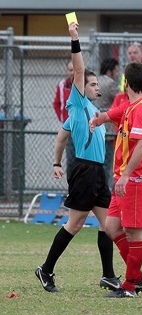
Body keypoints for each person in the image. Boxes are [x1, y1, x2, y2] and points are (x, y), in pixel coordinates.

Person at [35, 21, 120, 293]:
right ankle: (45, 270)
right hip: (84, 171)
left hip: (96, 172)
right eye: (91, 84)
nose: (95, 87)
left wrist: (57, 162)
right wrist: (75, 38)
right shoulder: (78, 100)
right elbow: (80, 69)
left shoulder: (92, 111)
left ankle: (108, 275)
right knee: (75, 224)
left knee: (108, 225)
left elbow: (61, 136)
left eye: (96, 84)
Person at [89, 62, 142, 298]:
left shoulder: (141, 108)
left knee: (133, 232)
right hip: (126, 179)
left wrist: (126, 175)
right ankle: (137, 276)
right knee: (111, 226)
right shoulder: (132, 105)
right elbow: (118, 113)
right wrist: (101, 118)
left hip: (137, 179)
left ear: (126, 82)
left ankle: (130, 286)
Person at [96, 57, 120, 189]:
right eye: (116, 71)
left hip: (93, 128)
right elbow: (122, 98)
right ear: (110, 71)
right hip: (107, 129)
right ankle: (103, 189)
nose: (117, 74)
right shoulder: (110, 83)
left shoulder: (94, 81)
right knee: (106, 161)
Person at [52, 60, 75, 170]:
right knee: (71, 159)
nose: (73, 73)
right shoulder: (62, 85)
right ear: (67, 71)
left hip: (84, 129)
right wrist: (64, 119)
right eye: (70, 70)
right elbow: (56, 104)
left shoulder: (86, 85)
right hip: (69, 129)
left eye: (75, 70)